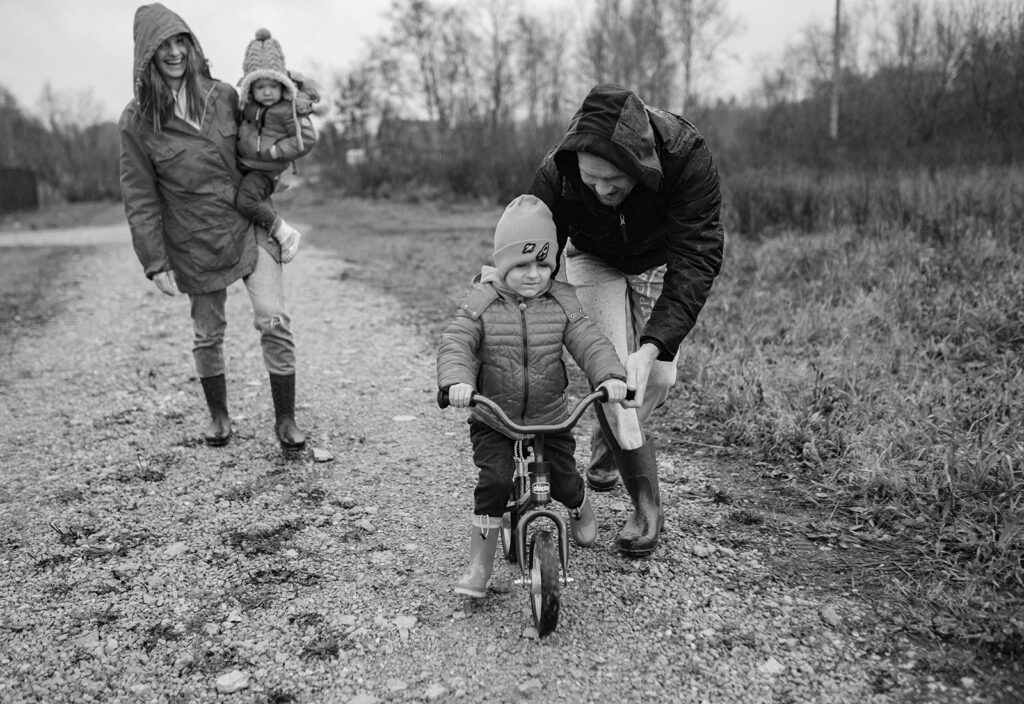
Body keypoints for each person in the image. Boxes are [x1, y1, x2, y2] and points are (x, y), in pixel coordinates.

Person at [529, 83, 724, 556]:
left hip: (657, 257)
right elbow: (535, 253)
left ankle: (608, 441)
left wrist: (653, 343)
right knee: (613, 374)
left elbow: (697, 258)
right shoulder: (558, 173)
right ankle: (645, 505)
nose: (600, 189)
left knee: (657, 374)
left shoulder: (685, 157)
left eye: (613, 180)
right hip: (593, 257)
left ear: (640, 163)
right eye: (591, 180)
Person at [119, 3, 306, 452]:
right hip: (193, 238)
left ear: (192, 46)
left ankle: (286, 421)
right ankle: (219, 417)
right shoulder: (137, 121)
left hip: (247, 224)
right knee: (207, 333)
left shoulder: (223, 95)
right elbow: (139, 195)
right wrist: (153, 259)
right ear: (146, 55)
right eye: (163, 45)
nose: (175, 52)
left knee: (273, 318)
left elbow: (268, 117)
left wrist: (296, 114)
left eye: (181, 41)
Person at [437, 195, 629, 598]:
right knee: (493, 481)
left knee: (562, 479)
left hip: (550, 415)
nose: (534, 274)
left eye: (544, 264)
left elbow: (589, 341)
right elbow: (457, 342)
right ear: (503, 264)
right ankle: (479, 565)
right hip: (496, 418)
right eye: (522, 265)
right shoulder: (483, 301)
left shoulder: (561, 300)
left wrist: (610, 376)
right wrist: (457, 381)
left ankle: (578, 505)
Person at [234, 28, 319, 264]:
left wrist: (277, 151)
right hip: (247, 164)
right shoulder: (248, 108)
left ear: (283, 85)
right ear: (251, 89)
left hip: (265, 171)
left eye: (273, 85)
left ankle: (284, 232)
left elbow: (307, 138)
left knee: (246, 201)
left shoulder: (287, 110)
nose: (268, 92)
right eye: (260, 87)